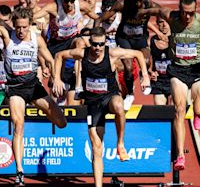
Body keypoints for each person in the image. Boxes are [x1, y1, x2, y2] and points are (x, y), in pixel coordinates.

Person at [0, 2, 67, 186]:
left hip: (34, 87)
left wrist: (56, 78)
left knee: (61, 123)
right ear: (13, 24)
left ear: (30, 25)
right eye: (18, 27)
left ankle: (44, 110)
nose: (20, 31)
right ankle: (19, 171)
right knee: (18, 125)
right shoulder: (7, 35)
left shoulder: (37, 39)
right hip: (15, 89)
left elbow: (51, 61)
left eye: (24, 27)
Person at [138, 0, 200, 170]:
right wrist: (141, 11)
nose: (187, 16)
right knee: (179, 109)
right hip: (177, 70)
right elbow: (157, 10)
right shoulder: (172, 17)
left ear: (195, 10)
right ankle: (180, 156)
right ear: (179, 9)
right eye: (184, 12)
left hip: (197, 70)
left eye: (190, 13)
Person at [53, 27, 150, 187]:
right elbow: (59, 55)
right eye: (95, 44)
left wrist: (145, 76)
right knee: (96, 148)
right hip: (93, 103)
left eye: (101, 44)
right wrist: (57, 78)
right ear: (89, 42)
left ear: (105, 43)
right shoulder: (82, 54)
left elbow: (138, 54)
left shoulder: (112, 53)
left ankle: (120, 144)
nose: (98, 48)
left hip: (109, 97)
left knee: (119, 105)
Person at [95, 0, 159, 111]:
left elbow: (164, 13)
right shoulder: (122, 4)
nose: (137, 4)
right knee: (128, 68)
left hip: (140, 39)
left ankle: (143, 76)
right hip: (124, 38)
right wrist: (96, 34)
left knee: (146, 61)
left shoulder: (150, 4)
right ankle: (130, 94)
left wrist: (169, 30)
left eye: (140, 1)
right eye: (135, 1)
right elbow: (100, 19)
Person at [148, 17, 172, 105]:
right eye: (161, 22)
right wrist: (150, 72)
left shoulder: (177, 39)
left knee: (174, 109)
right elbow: (147, 62)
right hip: (159, 81)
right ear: (157, 24)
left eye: (167, 22)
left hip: (174, 79)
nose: (164, 25)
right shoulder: (151, 41)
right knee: (160, 109)